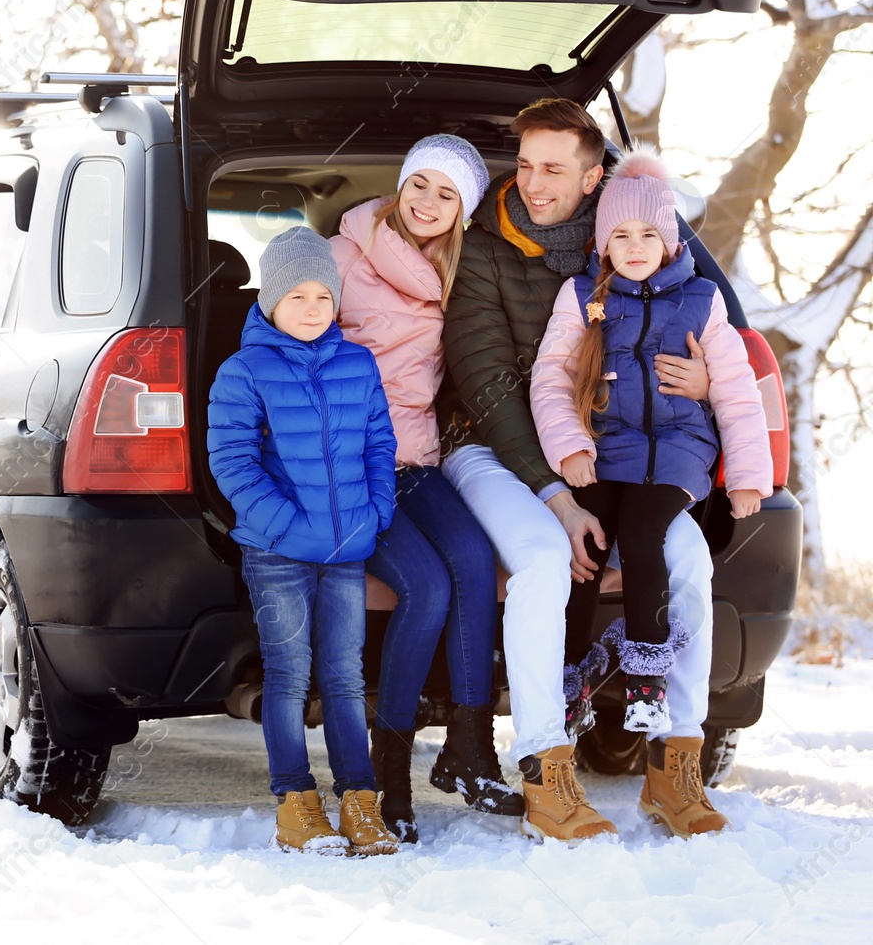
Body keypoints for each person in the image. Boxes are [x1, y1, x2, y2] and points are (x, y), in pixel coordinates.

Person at [438, 98, 722, 843]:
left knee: (688, 556)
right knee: (542, 558)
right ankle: (545, 765)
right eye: (526, 165)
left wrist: (705, 387)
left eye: (554, 169)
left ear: (593, 176)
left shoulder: (629, 240)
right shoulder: (484, 250)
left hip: (613, 458)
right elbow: (489, 385)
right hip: (490, 446)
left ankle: (674, 763)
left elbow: (706, 348)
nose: (534, 183)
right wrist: (560, 497)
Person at [528, 148, 770, 833]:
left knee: (646, 541)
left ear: (670, 240)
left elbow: (735, 392)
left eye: (649, 236)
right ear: (602, 242)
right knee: (584, 545)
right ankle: (572, 683)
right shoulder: (584, 298)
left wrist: (748, 476)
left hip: (678, 461)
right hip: (607, 459)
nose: (635, 249)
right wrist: (572, 451)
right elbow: (549, 378)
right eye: (620, 237)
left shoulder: (701, 298)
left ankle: (649, 695)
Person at [328, 134, 522, 844]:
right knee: (428, 587)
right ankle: (389, 768)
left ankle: (468, 746)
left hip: (420, 461)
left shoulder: (461, 270)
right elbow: (285, 341)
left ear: (463, 211)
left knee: (473, 560)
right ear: (401, 185)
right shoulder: (346, 255)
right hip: (350, 465)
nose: (429, 203)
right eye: (420, 186)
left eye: (447, 194)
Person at [207, 226, 400, 856]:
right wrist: (288, 528)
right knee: (289, 677)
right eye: (298, 297)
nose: (312, 308)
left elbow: (379, 445)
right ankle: (296, 803)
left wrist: (375, 512)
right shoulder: (244, 371)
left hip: (347, 550)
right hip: (277, 552)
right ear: (269, 302)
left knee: (345, 677)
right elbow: (233, 462)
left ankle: (360, 803)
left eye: (323, 295)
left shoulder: (357, 363)